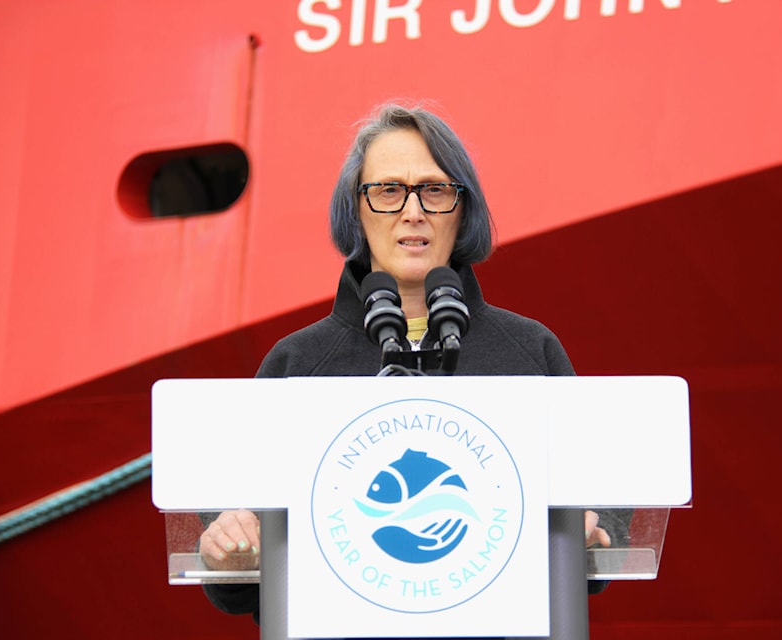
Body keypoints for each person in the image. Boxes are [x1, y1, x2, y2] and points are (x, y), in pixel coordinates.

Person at [198, 102, 626, 623]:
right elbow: (235, 583)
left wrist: (595, 531)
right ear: (355, 209)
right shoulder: (297, 363)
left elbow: (608, 521)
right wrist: (230, 548)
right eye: (388, 190)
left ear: (462, 209)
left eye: (436, 189)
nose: (413, 210)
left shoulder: (529, 351)